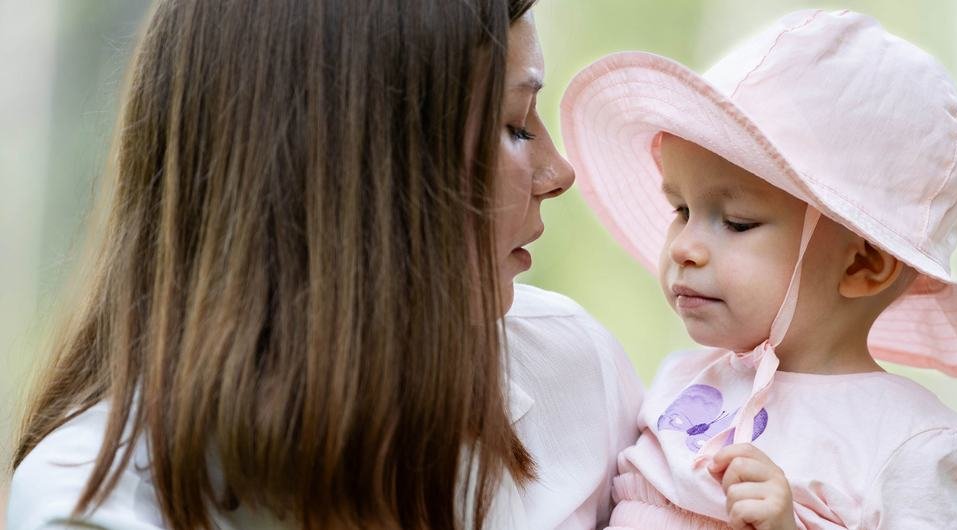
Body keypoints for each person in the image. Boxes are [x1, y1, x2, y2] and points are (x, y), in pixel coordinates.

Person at [7, 1, 640, 528]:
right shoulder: (92, 507)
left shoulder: (578, 371)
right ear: (358, 173)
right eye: (516, 126)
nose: (560, 174)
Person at [560, 9, 957, 529]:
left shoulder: (910, 446)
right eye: (681, 210)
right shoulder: (679, 381)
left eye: (736, 222)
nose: (684, 247)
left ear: (862, 263)